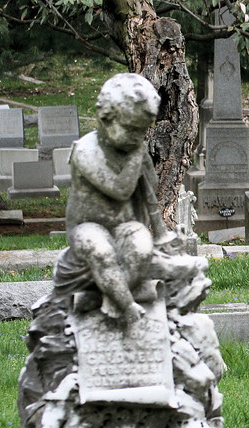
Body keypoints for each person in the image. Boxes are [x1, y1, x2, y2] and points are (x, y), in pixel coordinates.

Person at [65, 73, 174, 324]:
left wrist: (144, 163)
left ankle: (108, 296)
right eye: (131, 129)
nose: (138, 137)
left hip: (125, 224)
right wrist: (138, 156)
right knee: (100, 252)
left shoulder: (134, 148)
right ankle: (126, 305)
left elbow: (152, 185)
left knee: (141, 248)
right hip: (88, 226)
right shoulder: (85, 150)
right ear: (106, 117)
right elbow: (120, 189)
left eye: (143, 130)